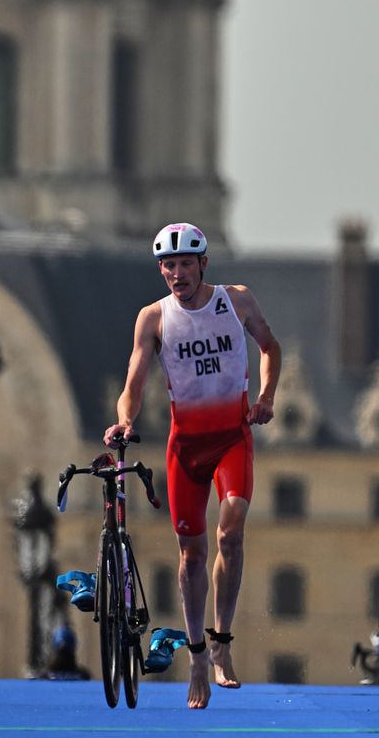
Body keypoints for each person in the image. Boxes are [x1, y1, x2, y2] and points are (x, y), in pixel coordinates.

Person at [105, 221, 280, 711]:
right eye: (168, 265)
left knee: (230, 533)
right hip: (186, 448)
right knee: (192, 556)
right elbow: (134, 382)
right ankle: (198, 656)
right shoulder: (153, 318)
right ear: (161, 269)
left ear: (204, 263)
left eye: (185, 264)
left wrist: (266, 397)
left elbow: (270, 346)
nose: (177, 274)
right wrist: (124, 421)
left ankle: (222, 640)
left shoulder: (237, 300)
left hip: (232, 439)